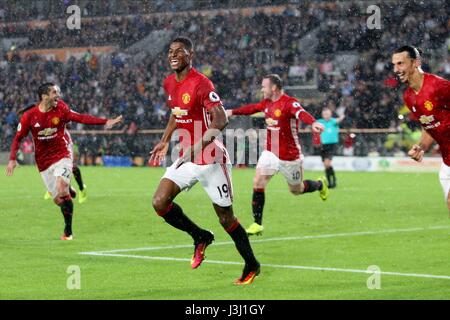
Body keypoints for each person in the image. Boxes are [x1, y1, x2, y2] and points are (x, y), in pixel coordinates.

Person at [149, 37, 260, 285]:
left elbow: (221, 120)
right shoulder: (170, 83)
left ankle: (252, 264)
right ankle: (200, 236)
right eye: (170, 51)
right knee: (159, 202)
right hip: (186, 157)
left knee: (226, 218)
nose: (173, 54)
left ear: (191, 54)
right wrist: (165, 139)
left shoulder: (201, 83)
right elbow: (175, 113)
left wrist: (198, 146)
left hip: (211, 159)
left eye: (180, 51)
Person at [6, 83, 123, 240]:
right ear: (44, 96)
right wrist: (12, 159)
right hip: (43, 162)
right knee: (58, 200)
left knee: (62, 189)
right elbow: (17, 138)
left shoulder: (61, 108)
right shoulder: (30, 116)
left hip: (62, 155)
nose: (58, 95)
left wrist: (105, 121)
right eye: (54, 92)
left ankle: (68, 231)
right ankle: (70, 190)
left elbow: (81, 117)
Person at [227, 74, 329, 237]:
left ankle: (319, 185)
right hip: (270, 153)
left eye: (264, 86)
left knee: (297, 189)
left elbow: (301, 113)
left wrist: (313, 123)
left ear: (273, 88)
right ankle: (257, 223)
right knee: (258, 182)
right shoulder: (266, 103)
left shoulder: (289, 103)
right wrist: (232, 111)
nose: (262, 89)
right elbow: (252, 109)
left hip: (290, 156)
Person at [391, 45, 450, 213]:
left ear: (415, 63)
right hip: (447, 161)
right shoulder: (408, 97)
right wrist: (421, 147)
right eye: (394, 65)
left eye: (401, 64)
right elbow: (428, 125)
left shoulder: (438, 86)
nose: (396, 69)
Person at [44, 130, 87, 203]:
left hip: (65, 146)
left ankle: (81, 189)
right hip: (54, 146)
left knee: (72, 167)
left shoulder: (62, 129)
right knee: (53, 168)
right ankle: (62, 189)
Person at [317, 107, 345, 188]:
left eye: (328, 114)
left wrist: (342, 115)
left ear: (330, 114)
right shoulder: (320, 122)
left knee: (327, 163)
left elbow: (340, 118)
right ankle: (331, 181)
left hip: (331, 145)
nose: (326, 115)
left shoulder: (333, 121)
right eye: (325, 114)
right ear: (322, 115)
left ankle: (332, 181)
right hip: (323, 146)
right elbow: (312, 124)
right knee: (326, 165)